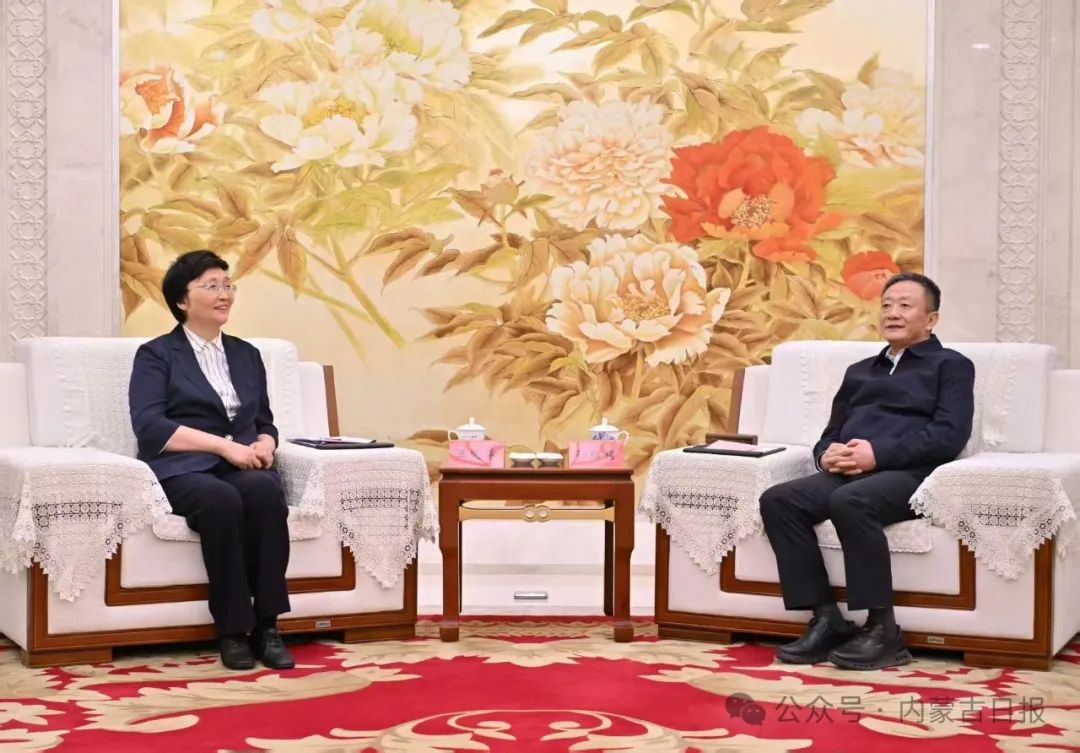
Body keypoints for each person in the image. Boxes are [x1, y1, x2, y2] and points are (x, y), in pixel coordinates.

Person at [758, 272, 974, 670]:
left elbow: (949, 436)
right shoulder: (859, 370)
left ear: (931, 319)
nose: (892, 313)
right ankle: (827, 619)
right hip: (849, 471)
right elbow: (830, 433)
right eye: (887, 305)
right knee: (779, 500)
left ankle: (883, 630)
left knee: (851, 500)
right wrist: (827, 456)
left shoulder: (952, 366)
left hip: (914, 475)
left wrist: (878, 455)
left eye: (905, 305)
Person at [128, 250, 294, 671]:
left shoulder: (246, 354)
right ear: (182, 300)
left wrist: (265, 444)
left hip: (241, 465)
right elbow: (150, 427)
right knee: (220, 500)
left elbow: (264, 421)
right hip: (182, 468)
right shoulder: (156, 354)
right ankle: (233, 630)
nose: (225, 294)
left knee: (265, 492)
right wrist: (223, 446)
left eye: (228, 285)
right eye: (212, 286)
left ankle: (268, 626)